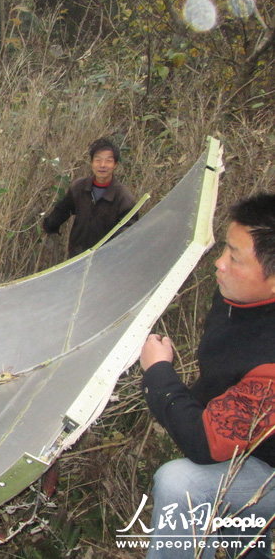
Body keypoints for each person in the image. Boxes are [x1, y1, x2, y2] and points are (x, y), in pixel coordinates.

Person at [139, 192, 275, 558]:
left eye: (235, 258)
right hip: (252, 450)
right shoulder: (238, 298)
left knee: (182, 484)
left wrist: (158, 373)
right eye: (225, 249)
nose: (219, 264)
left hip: (267, 469)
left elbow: (206, 445)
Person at [42, 137, 137, 258]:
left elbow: (128, 232)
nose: (102, 165)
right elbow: (63, 210)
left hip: (106, 259)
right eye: (98, 160)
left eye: (108, 161)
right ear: (92, 163)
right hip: (76, 256)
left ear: (115, 165)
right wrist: (49, 226)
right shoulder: (79, 187)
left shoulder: (123, 197)